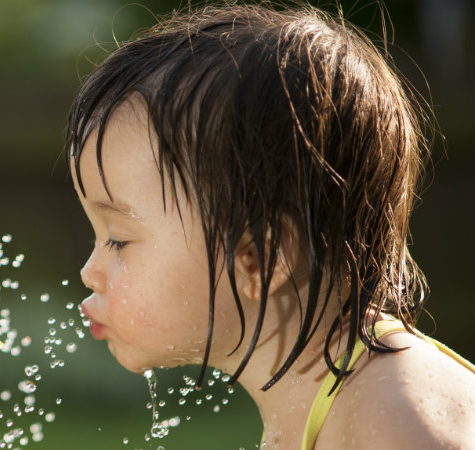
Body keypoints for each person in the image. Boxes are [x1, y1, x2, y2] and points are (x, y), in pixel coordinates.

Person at [66, 3, 475, 449]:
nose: (90, 272)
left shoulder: (393, 415)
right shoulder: (330, 400)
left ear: (260, 259)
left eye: (119, 240)